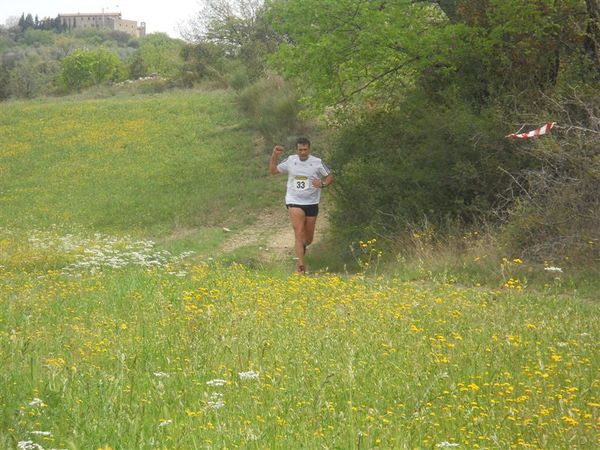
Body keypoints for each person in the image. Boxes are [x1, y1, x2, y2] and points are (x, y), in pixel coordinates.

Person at [269, 137, 333, 273]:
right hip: (294, 201)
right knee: (298, 232)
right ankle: (301, 267)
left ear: (309, 149)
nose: (303, 152)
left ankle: (302, 247)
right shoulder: (291, 160)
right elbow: (273, 171)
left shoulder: (317, 162)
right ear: (296, 150)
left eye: (305, 150)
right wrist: (274, 155)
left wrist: (322, 184)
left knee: (308, 239)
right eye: (300, 150)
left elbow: (329, 176)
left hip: (311, 202)